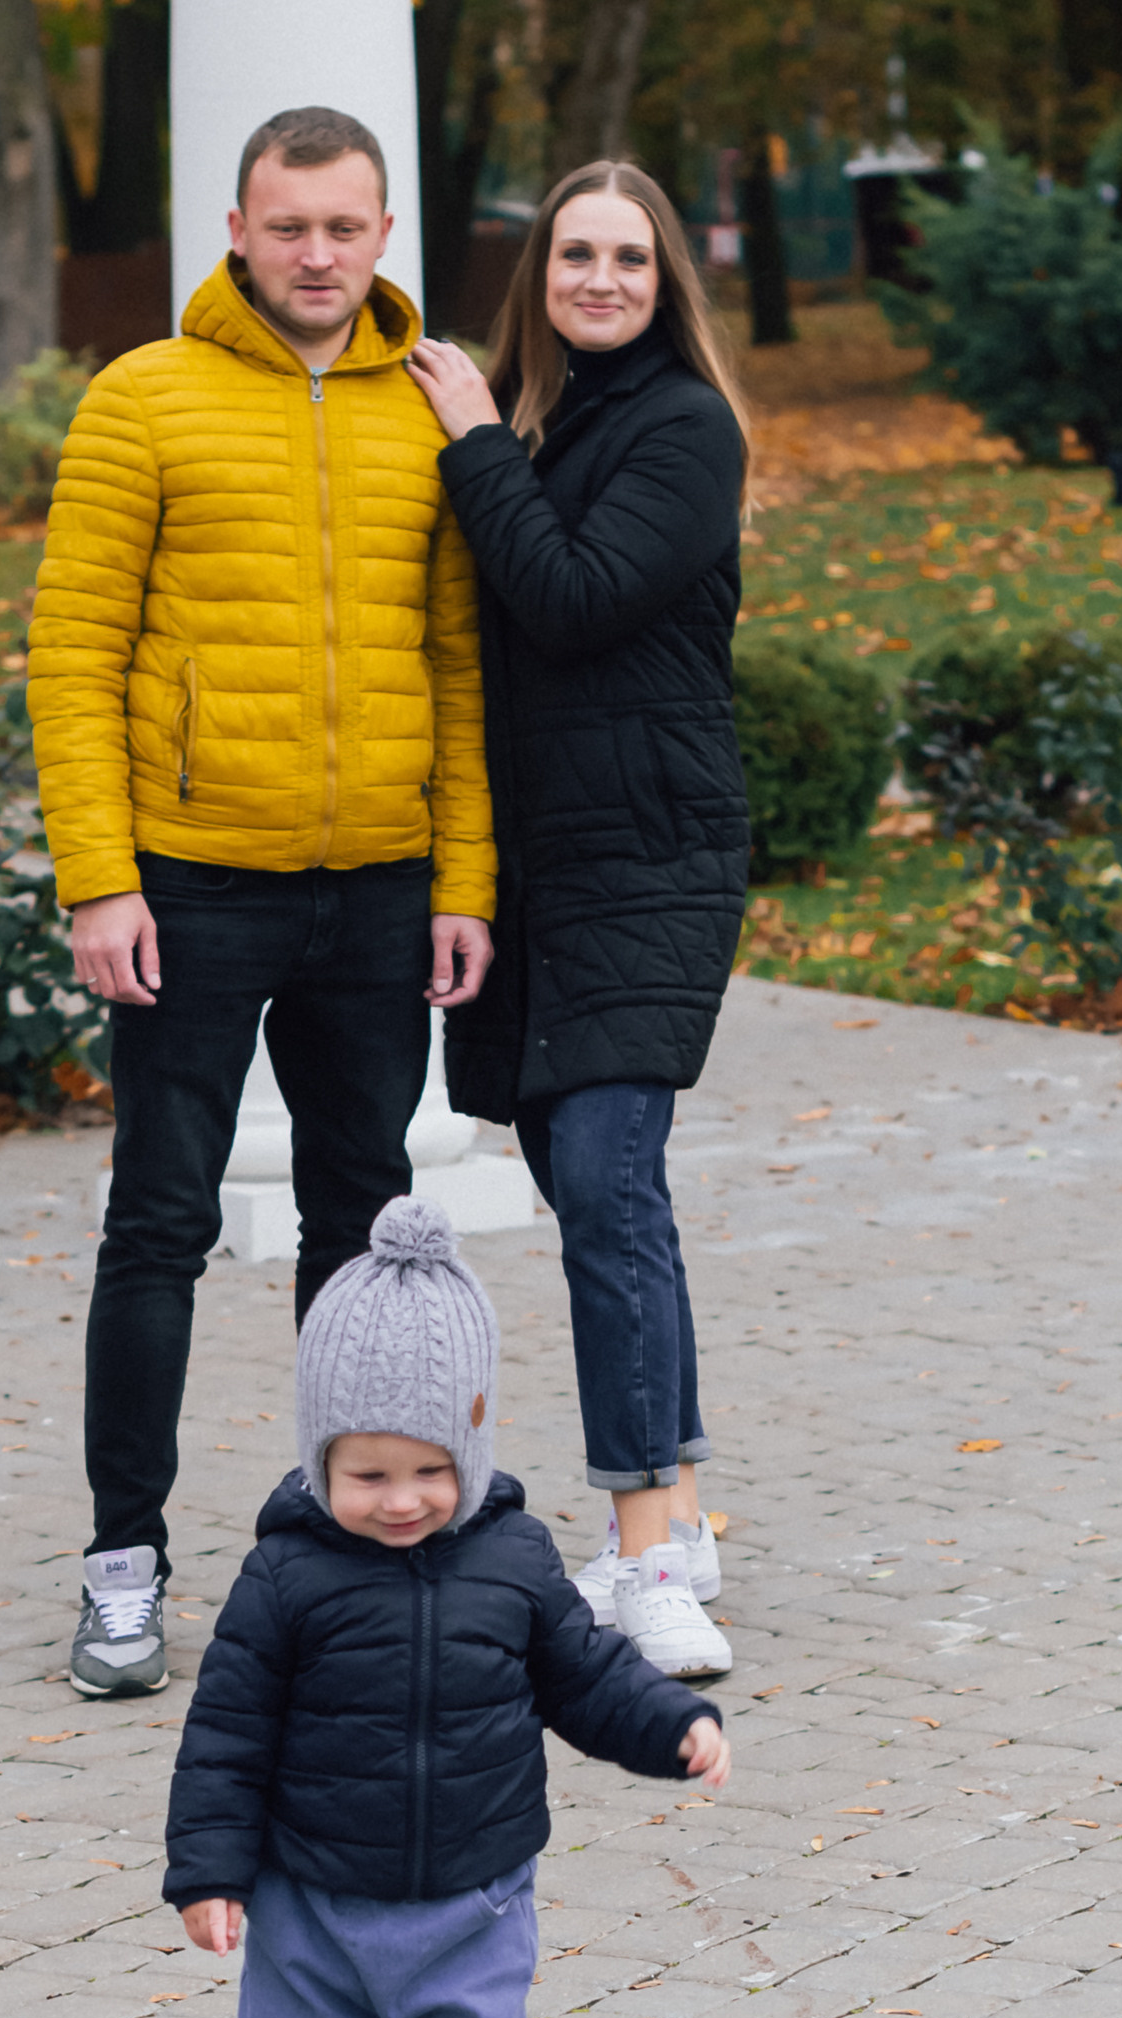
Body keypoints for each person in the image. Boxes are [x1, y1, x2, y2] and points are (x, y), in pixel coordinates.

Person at [29, 106, 496, 1701]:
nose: (317, 254)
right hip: (189, 885)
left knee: (363, 1231)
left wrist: (465, 882)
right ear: (237, 227)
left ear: (384, 235)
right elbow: (76, 657)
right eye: (288, 225)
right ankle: (122, 1563)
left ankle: (342, 1552)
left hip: (377, 890)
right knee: (158, 1221)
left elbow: (456, 666)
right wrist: (99, 877)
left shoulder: (435, 411)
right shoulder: (142, 399)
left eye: (345, 227)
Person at [163, 1197, 729, 2018]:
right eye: (368, 1473)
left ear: (470, 1449)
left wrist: (667, 1724)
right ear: (319, 1457)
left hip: (468, 1900)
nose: (404, 1499)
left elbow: (584, 1676)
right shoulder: (283, 1577)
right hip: (309, 1901)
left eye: (430, 1469)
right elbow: (224, 1732)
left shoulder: (512, 1560)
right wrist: (208, 1871)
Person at [405, 162, 750, 1681]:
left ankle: (647, 1552)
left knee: (608, 1196)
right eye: (574, 255)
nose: (599, 279)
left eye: (627, 257)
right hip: (540, 868)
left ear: (665, 278)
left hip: (648, 857)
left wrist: (473, 439)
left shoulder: (683, 427)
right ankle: (679, 1503)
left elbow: (568, 596)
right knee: (604, 1202)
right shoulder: (553, 423)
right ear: (540, 271)